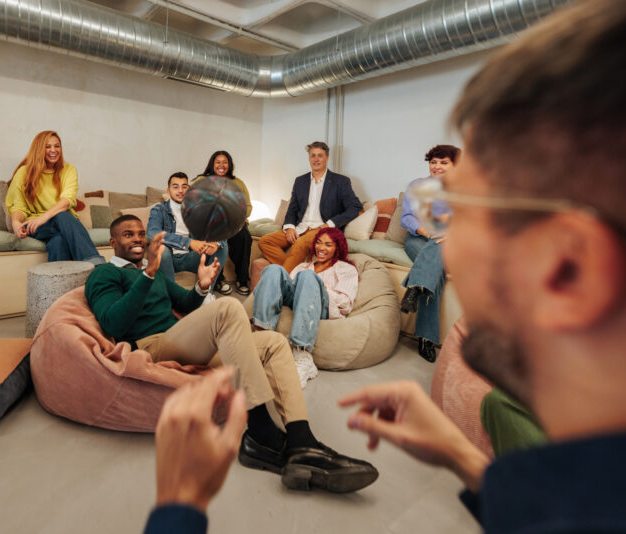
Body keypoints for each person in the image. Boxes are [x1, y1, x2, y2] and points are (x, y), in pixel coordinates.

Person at [145, 1, 626, 531]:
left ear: (571, 270)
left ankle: (270, 428)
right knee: (276, 258)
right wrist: (461, 457)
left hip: (311, 245)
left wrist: (179, 503)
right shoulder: (544, 435)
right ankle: (287, 436)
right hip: (289, 241)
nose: (450, 241)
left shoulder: (343, 204)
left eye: (469, 211)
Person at [86, 215, 378, 498]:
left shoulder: (150, 273)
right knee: (228, 308)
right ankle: (260, 431)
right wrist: (149, 273)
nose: (138, 239)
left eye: (140, 234)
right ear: (113, 241)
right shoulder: (105, 273)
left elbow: (186, 304)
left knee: (275, 342)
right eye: (128, 235)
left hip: (182, 341)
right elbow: (113, 323)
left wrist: (201, 286)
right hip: (151, 346)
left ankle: (302, 440)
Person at [252, 227, 358, 388]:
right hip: (297, 301)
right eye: (319, 243)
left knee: (308, 277)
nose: (321, 248)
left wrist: (320, 286)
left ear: (338, 248)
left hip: (323, 307)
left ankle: (303, 355)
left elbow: (345, 303)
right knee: (273, 269)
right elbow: (288, 288)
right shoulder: (303, 267)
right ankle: (262, 339)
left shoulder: (346, 269)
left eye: (328, 245)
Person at [398, 145, 461, 362]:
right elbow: (406, 217)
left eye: (444, 162)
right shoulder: (417, 186)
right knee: (436, 268)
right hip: (418, 239)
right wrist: (427, 231)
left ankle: (415, 288)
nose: (437, 166)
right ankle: (426, 338)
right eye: (434, 162)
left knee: (440, 247)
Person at [258, 142, 361, 273]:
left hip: (321, 229)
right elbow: (293, 208)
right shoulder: (300, 181)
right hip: (300, 227)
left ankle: (282, 281)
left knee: (299, 244)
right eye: (313, 156)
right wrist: (289, 227)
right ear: (309, 158)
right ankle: (297, 272)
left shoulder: (340, 181)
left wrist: (329, 224)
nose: (316, 159)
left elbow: (355, 207)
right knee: (265, 241)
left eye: (320, 156)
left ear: (327, 158)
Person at [5, 131, 103, 264]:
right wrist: (16, 223)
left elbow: (67, 200)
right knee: (62, 216)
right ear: (39, 149)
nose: (53, 150)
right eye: (48, 146)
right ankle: (97, 266)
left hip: (64, 222)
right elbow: (18, 205)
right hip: (36, 226)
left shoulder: (68, 169)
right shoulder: (24, 172)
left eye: (57, 146)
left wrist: (43, 218)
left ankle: (58, 282)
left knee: (58, 240)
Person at [147, 172, 230, 298]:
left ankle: (207, 295)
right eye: (175, 187)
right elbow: (153, 233)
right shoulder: (159, 210)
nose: (180, 190)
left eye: (184, 186)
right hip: (168, 258)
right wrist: (189, 243)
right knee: (162, 249)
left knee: (222, 246)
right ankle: (172, 297)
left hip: (191, 258)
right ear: (168, 190)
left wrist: (216, 243)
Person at [195, 151, 253, 296]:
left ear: (230, 165)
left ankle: (243, 279)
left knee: (244, 237)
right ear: (212, 164)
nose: (221, 165)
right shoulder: (202, 180)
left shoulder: (238, 183)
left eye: (225, 162)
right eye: (218, 162)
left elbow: (248, 206)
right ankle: (219, 280)